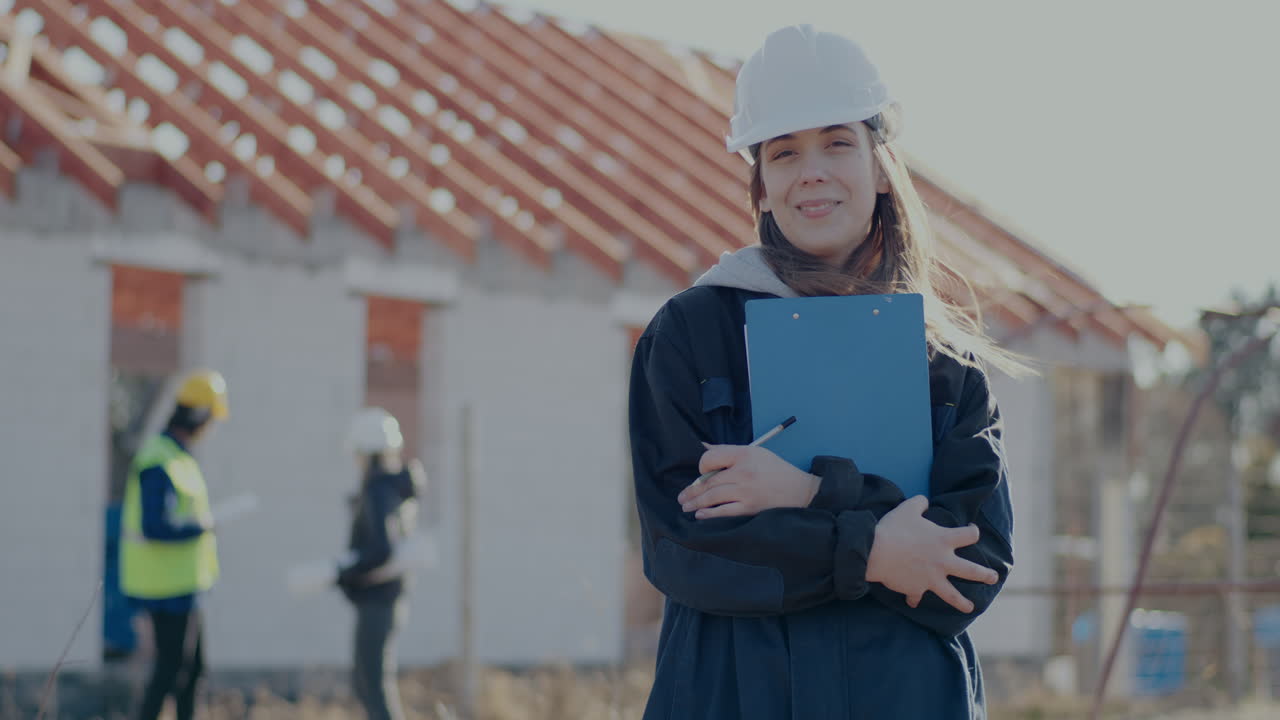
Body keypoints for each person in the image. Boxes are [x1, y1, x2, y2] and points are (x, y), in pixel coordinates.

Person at [628, 25, 1028, 719]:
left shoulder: (945, 361)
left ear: (879, 166)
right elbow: (686, 546)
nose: (812, 170)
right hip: (732, 695)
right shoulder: (693, 333)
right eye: (784, 152)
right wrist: (876, 550)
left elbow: (971, 569)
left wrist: (811, 493)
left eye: (837, 142)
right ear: (760, 186)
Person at [120, 369, 229, 720]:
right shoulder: (159, 459)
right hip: (165, 584)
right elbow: (156, 526)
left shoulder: (178, 456)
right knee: (171, 672)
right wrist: (202, 527)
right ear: (198, 415)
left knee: (191, 671)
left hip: (185, 583)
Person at [336, 407, 425, 720]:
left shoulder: (379, 488)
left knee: (371, 686)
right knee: (369, 684)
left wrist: (347, 572)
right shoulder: (395, 488)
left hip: (378, 599)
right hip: (388, 598)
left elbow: (380, 550)